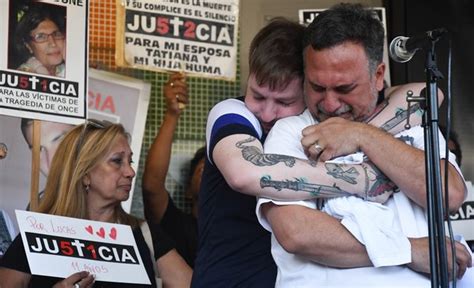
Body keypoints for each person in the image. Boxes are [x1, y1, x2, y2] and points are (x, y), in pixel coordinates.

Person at [257, 3, 471, 287]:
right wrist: (409, 251)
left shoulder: (414, 126)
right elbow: (297, 232)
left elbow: (449, 195)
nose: (330, 104)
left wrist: (361, 135)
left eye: (345, 89)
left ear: (378, 75)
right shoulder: (292, 131)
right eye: (317, 88)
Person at [192, 17, 407, 287]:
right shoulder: (233, 112)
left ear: (310, 91)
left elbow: (425, 94)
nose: (267, 113)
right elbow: (243, 173)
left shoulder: (322, 123)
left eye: (284, 101)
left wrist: (358, 134)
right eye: (257, 95)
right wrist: (362, 179)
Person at [0, 120, 192, 287]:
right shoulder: (38, 234)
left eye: (130, 161)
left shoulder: (144, 235)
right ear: (84, 173)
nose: (130, 172)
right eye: (117, 161)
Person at [142, 71, 205, 267]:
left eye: (219, 172)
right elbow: (152, 186)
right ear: (188, 191)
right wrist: (172, 114)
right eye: (204, 170)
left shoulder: (239, 231)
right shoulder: (178, 226)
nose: (212, 175)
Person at [14, 3, 66, 77]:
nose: (53, 43)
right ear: (28, 45)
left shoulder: (65, 68)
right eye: (41, 36)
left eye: (56, 34)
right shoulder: (23, 76)